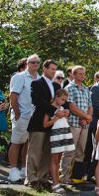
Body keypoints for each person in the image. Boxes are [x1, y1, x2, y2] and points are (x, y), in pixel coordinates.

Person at [25, 60, 59, 189]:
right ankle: (31, 178)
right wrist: (55, 111)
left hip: (52, 124)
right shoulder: (36, 83)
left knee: (47, 152)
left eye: (55, 69)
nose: (53, 71)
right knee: (35, 151)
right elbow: (38, 102)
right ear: (44, 69)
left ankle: (42, 177)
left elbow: (62, 101)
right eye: (51, 69)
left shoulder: (56, 85)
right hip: (38, 122)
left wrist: (64, 110)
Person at [7, 55, 39, 183]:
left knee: (28, 143)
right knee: (16, 142)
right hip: (22, 115)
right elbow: (13, 96)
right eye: (32, 62)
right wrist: (17, 113)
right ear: (27, 63)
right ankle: (13, 170)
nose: (35, 65)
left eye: (37, 63)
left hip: (34, 117)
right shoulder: (19, 77)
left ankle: (24, 169)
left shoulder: (40, 78)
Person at [60, 66, 92, 184]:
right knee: (69, 151)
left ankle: (77, 177)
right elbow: (72, 107)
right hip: (73, 123)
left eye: (84, 74)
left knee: (81, 152)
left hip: (85, 125)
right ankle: (64, 177)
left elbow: (90, 105)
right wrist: (87, 116)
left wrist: (88, 119)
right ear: (73, 75)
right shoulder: (69, 88)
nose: (83, 76)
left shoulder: (86, 89)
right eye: (80, 74)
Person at [45, 88, 75, 195]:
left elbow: (64, 121)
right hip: (55, 135)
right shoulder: (51, 108)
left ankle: (56, 181)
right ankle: (55, 183)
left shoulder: (61, 108)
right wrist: (56, 118)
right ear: (56, 97)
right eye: (62, 99)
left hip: (64, 134)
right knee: (54, 159)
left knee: (59, 159)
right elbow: (45, 124)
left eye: (65, 100)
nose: (64, 102)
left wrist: (66, 115)